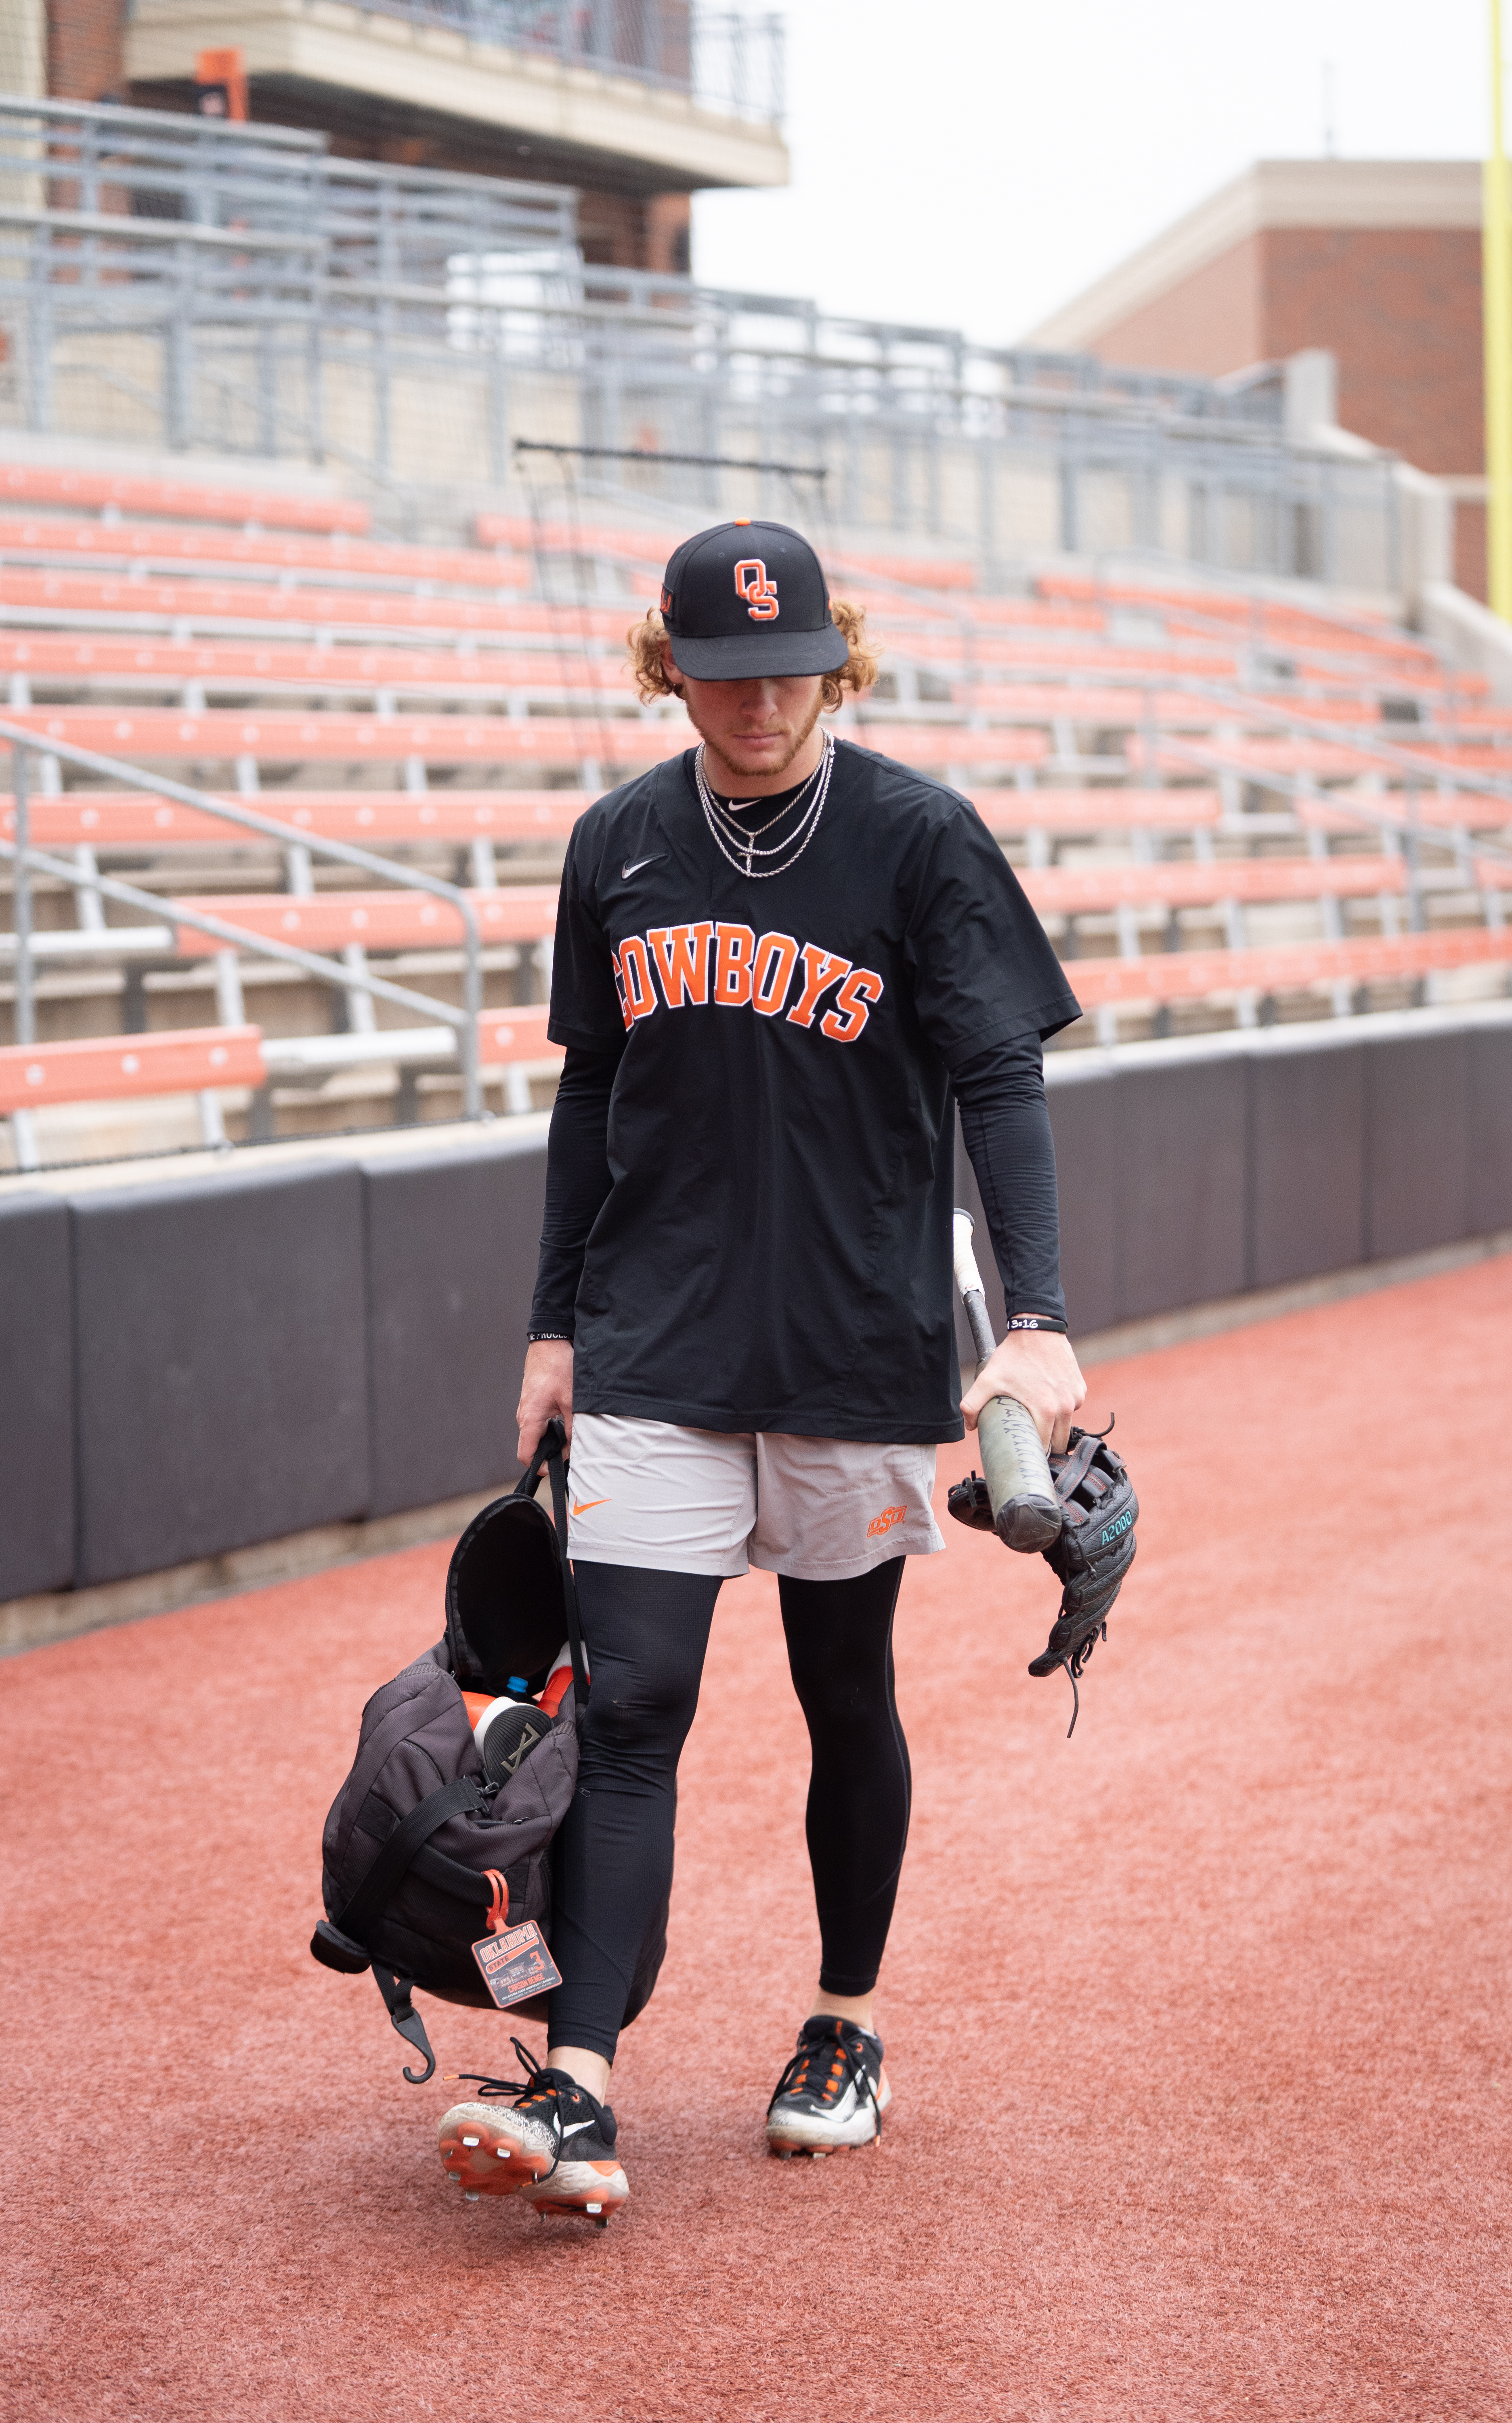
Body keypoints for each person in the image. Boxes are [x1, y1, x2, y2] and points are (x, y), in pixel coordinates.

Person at [436, 519, 1084, 2219]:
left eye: (786, 664)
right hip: (653, 1344)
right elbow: (589, 1098)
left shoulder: (920, 840)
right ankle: (580, 2083)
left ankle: (844, 2023)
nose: (757, 698)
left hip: (854, 1351)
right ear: (672, 670)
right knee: (633, 1706)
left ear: (836, 659)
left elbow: (1001, 1080)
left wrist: (1037, 1314)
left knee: (842, 1692)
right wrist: (553, 1324)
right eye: (721, 673)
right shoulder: (618, 845)